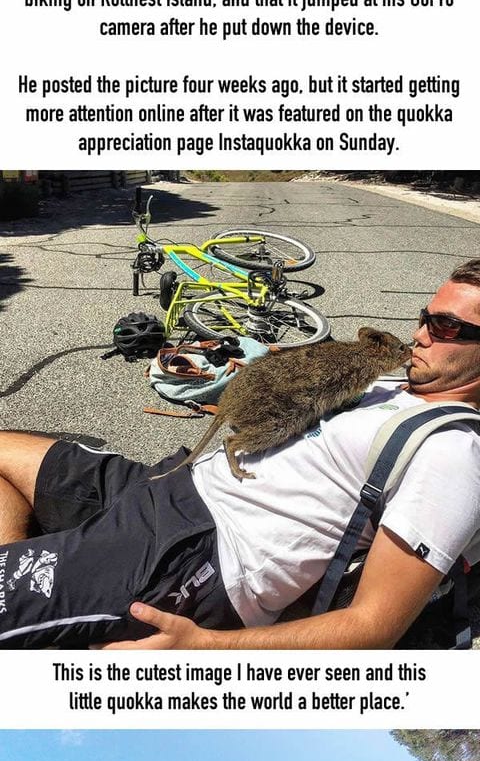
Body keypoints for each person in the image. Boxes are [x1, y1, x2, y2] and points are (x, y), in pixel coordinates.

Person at [2, 263, 480, 651]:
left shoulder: (454, 452)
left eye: (446, 326)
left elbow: (373, 626)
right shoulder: (395, 384)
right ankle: (45, 578)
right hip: (170, 482)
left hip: (196, 551)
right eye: (426, 315)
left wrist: (202, 647)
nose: (419, 334)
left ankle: (52, 585)